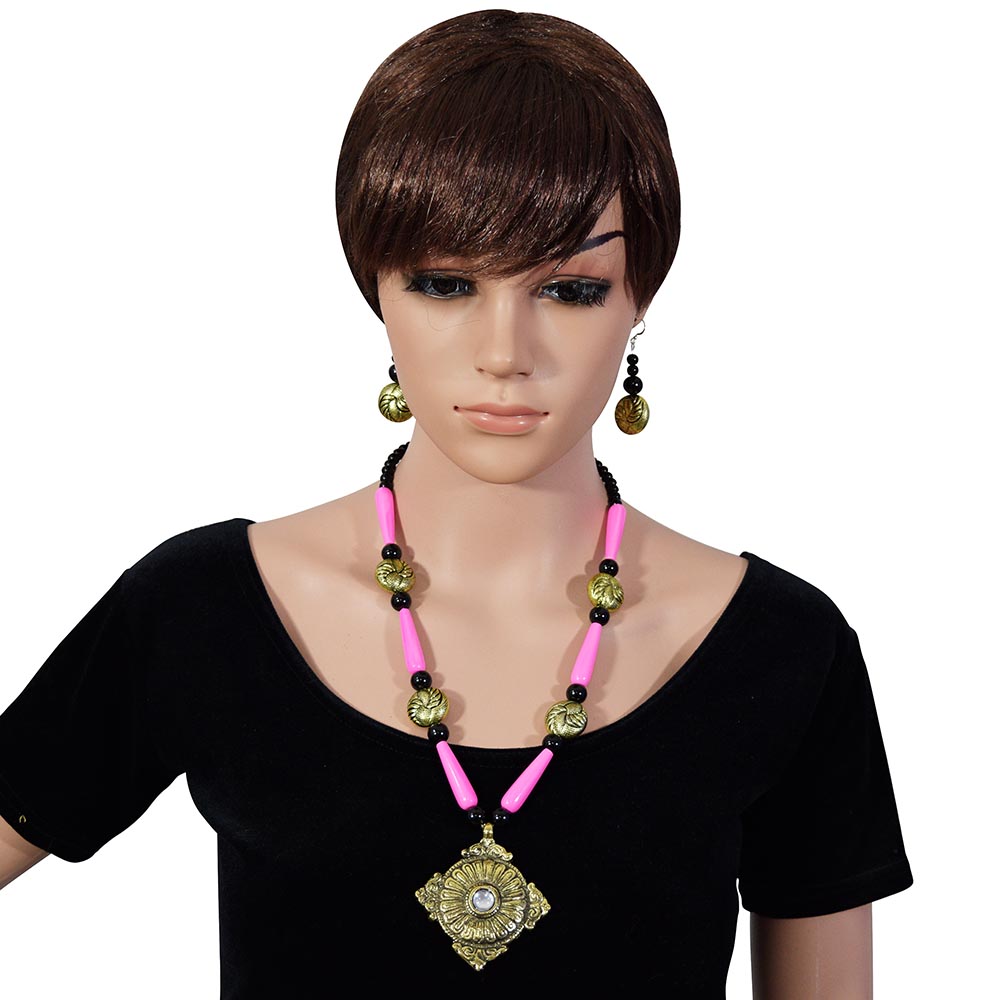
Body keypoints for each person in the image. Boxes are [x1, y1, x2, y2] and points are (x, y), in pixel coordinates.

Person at [0, 9, 913, 995]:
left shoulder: (782, 650)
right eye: (444, 282)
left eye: (569, 288)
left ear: (640, 292)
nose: (504, 351)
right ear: (376, 286)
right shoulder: (202, 609)